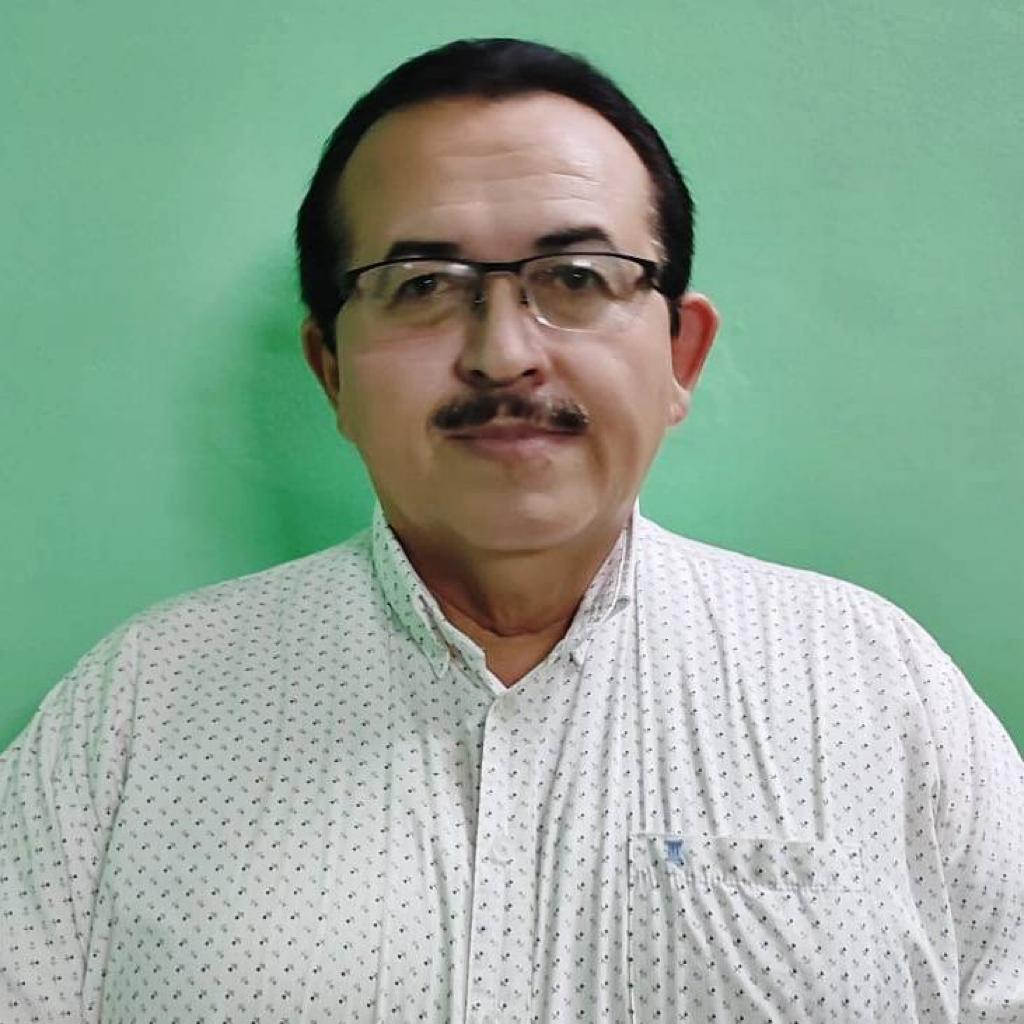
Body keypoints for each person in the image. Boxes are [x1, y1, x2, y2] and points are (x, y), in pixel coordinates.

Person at [1, 36, 1021, 1024]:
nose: (502, 354)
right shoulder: (136, 710)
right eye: (422, 286)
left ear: (680, 355)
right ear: (331, 371)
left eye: (575, 277)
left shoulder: (872, 686)